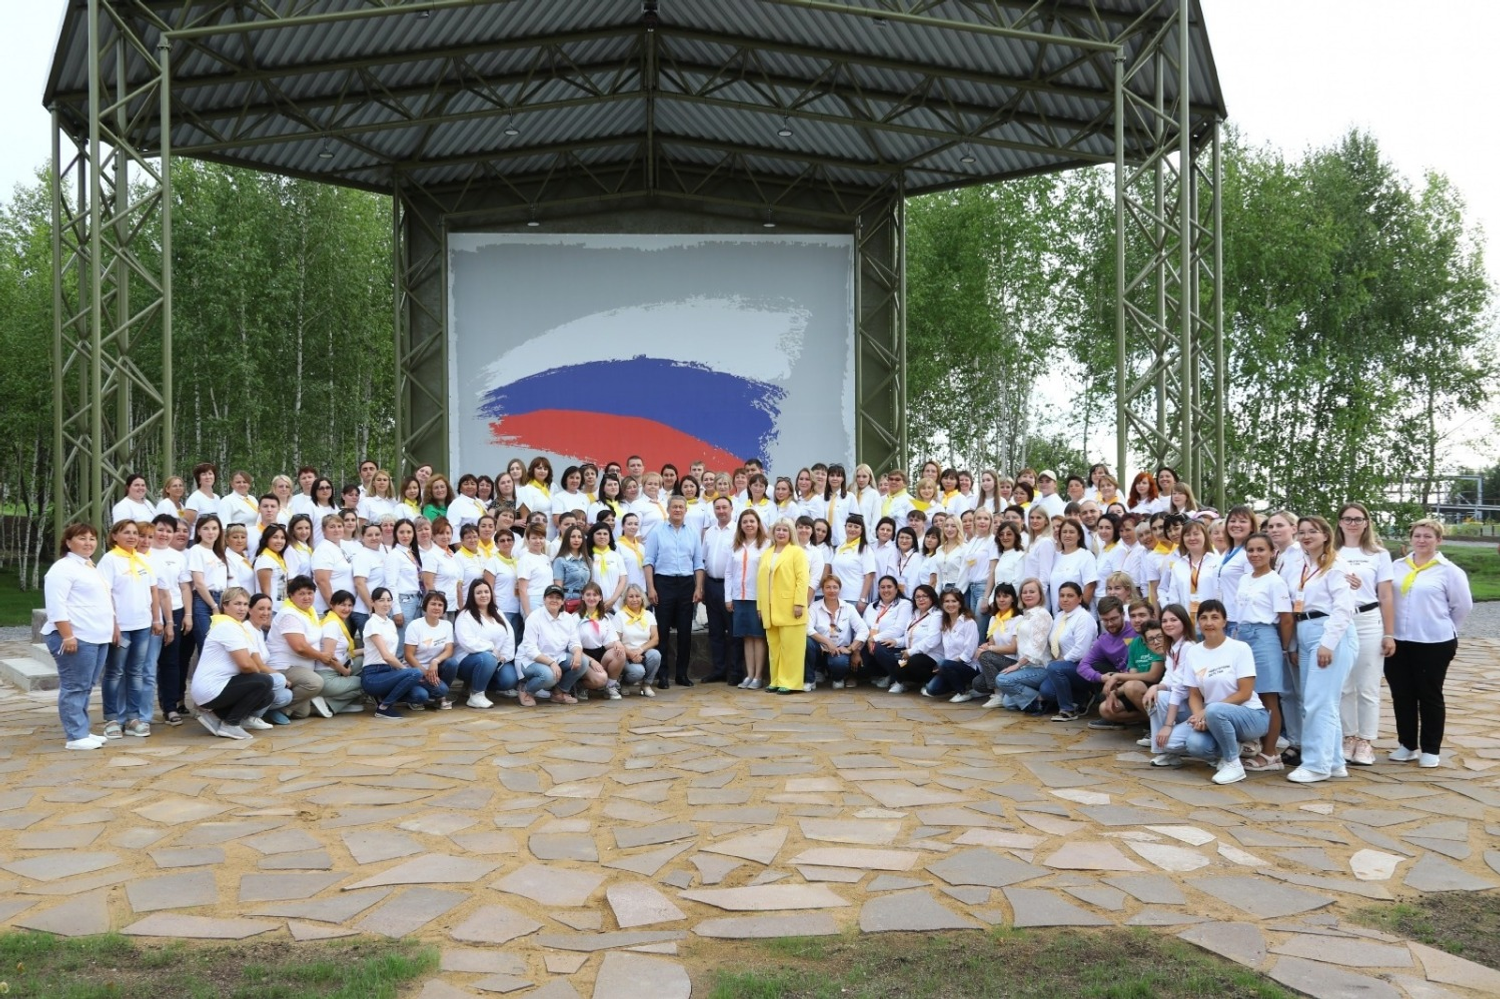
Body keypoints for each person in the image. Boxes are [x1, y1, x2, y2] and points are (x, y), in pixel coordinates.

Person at [1385, 519, 1473, 768]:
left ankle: (1431, 748)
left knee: (1429, 694)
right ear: (1411, 538)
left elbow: (1462, 606)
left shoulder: (1449, 571)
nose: (1422, 540)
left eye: (1428, 536)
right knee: (1402, 694)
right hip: (1398, 641)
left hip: (1434, 641)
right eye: (1417, 536)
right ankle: (1407, 745)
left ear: (1438, 540)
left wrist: (1444, 627)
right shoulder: (1397, 566)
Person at [1281, 514, 1358, 784]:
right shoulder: (1299, 564)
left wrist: (1328, 643)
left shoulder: (1337, 565)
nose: (1306, 536)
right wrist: (1293, 643)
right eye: (1302, 532)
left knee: (1318, 701)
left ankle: (1316, 764)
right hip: (1304, 631)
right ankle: (1334, 761)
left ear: (1326, 535)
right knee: (1316, 701)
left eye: (1312, 531)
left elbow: (1343, 608)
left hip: (1328, 632)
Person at [1174, 601, 1271, 785]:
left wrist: (1207, 712)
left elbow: (1245, 693)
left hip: (1251, 716)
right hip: (1213, 716)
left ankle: (1233, 764)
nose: (1209, 622)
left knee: (1214, 709)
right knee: (1194, 745)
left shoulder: (1240, 648)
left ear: (1225, 621)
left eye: (1215, 617)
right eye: (1204, 618)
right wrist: (1199, 717)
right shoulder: (1193, 652)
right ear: (1198, 622)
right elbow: (1194, 694)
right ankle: (1236, 748)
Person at [41, 523, 117, 750]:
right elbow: (56, 605)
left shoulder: (89, 566)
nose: (88, 543)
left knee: (86, 686)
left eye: (92, 538)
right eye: (82, 538)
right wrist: (67, 636)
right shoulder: (62, 568)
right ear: (68, 542)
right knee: (74, 686)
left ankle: (82, 729)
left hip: (96, 636)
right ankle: (75, 736)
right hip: (76, 636)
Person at [1332, 502, 1395, 768]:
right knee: (1344, 684)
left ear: (1366, 522)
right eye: (1347, 519)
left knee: (1367, 684)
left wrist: (1389, 633)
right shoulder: (1332, 552)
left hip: (1368, 618)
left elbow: (1386, 595)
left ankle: (1366, 740)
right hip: (1339, 619)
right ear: (1340, 522)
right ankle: (1349, 736)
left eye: (1358, 519)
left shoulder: (1378, 554)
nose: (1353, 523)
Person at [98, 520, 166, 739]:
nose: (132, 537)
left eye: (135, 533)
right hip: (122, 627)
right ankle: (112, 719)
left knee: (136, 672)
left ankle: (133, 718)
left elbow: (153, 592)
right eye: (126, 532)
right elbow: (105, 593)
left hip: (142, 625)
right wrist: (113, 624)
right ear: (114, 536)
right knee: (115, 672)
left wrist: (156, 619)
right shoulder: (110, 560)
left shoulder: (143, 559)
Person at [1235, 532, 1294, 772]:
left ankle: (1270, 753)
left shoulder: (1275, 581)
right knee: (1248, 693)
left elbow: (1286, 618)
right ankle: (1256, 743)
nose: (1255, 554)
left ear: (1272, 552)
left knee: (1268, 696)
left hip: (1264, 636)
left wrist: (1284, 647)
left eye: (1261, 549)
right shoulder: (1244, 579)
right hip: (1243, 636)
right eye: (1250, 550)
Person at [189, 587, 276, 740]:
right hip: (211, 689)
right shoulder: (227, 627)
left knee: (268, 694)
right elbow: (246, 665)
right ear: (225, 605)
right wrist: (259, 674)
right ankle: (231, 724)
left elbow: (251, 660)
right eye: (237, 604)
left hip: (220, 686)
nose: (242, 608)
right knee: (264, 681)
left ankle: (219, 716)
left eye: (245, 604)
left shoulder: (236, 626)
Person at [643, 495, 705, 688]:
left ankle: (682, 674)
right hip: (663, 583)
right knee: (662, 631)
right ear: (668, 509)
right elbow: (648, 561)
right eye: (674, 507)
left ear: (686, 510)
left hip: (686, 583)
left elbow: (698, 563)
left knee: (685, 631)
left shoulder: (693, 533)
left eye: (681, 507)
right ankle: (662, 675)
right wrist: (651, 587)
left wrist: (698, 587)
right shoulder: (657, 532)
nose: (678, 510)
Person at [1046, 594, 1131, 723]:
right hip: (1115, 677)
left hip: (1136, 676)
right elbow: (1083, 666)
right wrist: (1102, 677)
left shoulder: (1135, 631)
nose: (1110, 624)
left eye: (1114, 619)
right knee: (1048, 691)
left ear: (1123, 615)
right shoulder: (1103, 640)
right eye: (1105, 620)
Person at [265, 575, 331, 722]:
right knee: (315, 683)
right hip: (284, 667)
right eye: (301, 593)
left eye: (310, 593)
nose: (307, 597)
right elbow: (300, 647)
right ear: (291, 595)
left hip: (302, 668)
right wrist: (321, 656)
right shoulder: (289, 614)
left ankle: (284, 704)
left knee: (302, 714)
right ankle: (276, 709)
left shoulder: (310, 611)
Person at [758, 518, 811, 694]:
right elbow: (760, 582)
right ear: (773, 533)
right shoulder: (767, 553)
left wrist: (799, 603)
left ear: (791, 533)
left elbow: (803, 579)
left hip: (790, 607)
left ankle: (790, 682)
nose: (781, 533)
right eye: (778, 530)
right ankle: (776, 680)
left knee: (791, 648)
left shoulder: (797, 552)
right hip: (770, 608)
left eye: (785, 530)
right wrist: (760, 607)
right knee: (774, 648)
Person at [144, 514, 187, 726]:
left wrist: (187, 614)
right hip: (147, 613)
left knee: (171, 661)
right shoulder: (143, 553)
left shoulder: (178, 556)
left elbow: (184, 586)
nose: (164, 534)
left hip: (174, 611)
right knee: (145, 663)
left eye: (169, 531)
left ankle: (170, 706)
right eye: (160, 529)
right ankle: (138, 711)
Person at [361, 587, 427, 720]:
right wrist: (405, 670)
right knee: (415, 672)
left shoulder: (390, 623)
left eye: (389, 600)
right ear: (372, 602)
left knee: (421, 695)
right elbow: (386, 656)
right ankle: (384, 707)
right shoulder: (372, 623)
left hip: (389, 672)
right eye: (381, 600)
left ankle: (383, 697)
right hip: (373, 675)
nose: (386, 604)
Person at [1037, 581, 1099, 720]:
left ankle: (1068, 710)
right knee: (1047, 692)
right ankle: (1081, 697)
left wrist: (1060, 661)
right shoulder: (1060, 616)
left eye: (1070, 596)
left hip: (1083, 667)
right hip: (1063, 667)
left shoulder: (1084, 618)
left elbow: (1081, 651)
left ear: (1080, 598)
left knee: (1054, 668)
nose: (1065, 599)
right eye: (1062, 595)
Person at [449, 579, 514, 708]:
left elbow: (509, 635)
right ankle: (476, 695)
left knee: (509, 680)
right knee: (487, 658)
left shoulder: (497, 612)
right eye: (478, 593)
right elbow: (467, 642)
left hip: (496, 659)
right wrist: (491, 648)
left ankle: (475, 684)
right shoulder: (465, 615)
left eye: (486, 592)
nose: (483, 595)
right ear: (472, 596)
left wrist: (504, 656)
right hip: (468, 660)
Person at [516, 584, 583, 706]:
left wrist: (577, 653)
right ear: (544, 599)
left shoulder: (568, 618)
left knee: (582, 662)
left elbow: (574, 642)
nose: (554, 600)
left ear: (562, 601)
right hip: (530, 661)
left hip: (556, 658)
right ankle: (525, 689)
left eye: (558, 598)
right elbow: (530, 650)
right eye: (550, 597)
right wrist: (551, 663)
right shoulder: (534, 617)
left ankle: (558, 693)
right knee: (549, 676)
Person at [1148, 603, 1197, 767]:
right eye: (1164, 621)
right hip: (1182, 702)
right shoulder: (1172, 647)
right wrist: (1155, 687)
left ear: (1184, 622)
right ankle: (1163, 752)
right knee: (1157, 697)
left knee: (1161, 698)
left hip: (1194, 705)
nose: (1168, 624)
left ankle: (1167, 748)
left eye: (1173, 620)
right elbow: (1169, 678)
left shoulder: (1188, 647)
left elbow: (1180, 688)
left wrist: (1168, 725)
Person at [726, 509, 770, 689]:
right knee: (746, 637)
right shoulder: (735, 545)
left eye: (752, 521)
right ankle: (749, 674)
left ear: (758, 523)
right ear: (740, 525)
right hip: (739, 597)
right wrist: (728, 597)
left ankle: (758, 676)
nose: (749, 525)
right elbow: (729, 573)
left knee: (758, 637)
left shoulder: (766, 545)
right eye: (745, 522)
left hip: (757, 598)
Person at [804, 575, 869, 691]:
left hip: (839, 650)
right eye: (828, 587)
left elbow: (863, 630)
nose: (832, 590)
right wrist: (827, 642)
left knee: (840, 663)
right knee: (807, 642)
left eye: (835, 587)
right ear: (822, 589)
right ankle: (810, 680)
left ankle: (838, 678)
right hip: (820, 649)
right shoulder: (814, 607)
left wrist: (851, 648)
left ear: (840, 589)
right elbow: (807, 628)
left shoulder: (848, 608)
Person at [701, 497, 741, 683]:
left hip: (730, 586)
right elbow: (704, 560)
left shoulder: (738, 531)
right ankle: (719, 670)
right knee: (715, 631)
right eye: (718, 508)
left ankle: (735, 672)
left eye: (725, 507)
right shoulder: (709, 532)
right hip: (711, 585)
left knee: (733, 632)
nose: (721, 511)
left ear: (732, 509)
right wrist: (702, 586)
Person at [183, 514, 228, 663]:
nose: (211, 532)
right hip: (204, 601)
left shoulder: (218, 552)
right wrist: (214, 606)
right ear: (198, 531)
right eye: (206, 528)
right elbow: (199, 582)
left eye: (214, 528)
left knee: (220, 647)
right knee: (208, 647)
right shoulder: (196, 550)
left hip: (221, 599)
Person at [920, 589, 981, 698]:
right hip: (948, 667)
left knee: (944, 664)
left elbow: (969, 652)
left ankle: (962, 693)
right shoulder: (945, 623)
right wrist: (944, 666)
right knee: (931, 689)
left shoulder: (969, 622)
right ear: (942, 604)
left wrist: (946, 664)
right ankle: (960, 685)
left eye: (954, 601)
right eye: (947, 601)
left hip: (968, 667)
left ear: (960, 603)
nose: (950, 604)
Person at [967, 582, 1019, 703]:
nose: (1001, 599)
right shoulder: (994, 619)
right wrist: (985, 647)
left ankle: (998, 694)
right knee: (977, 683)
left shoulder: (1018, 619)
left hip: (1013, 662)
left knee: (985, 655)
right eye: (998, 596)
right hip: (996, 661)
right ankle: (1005, 690)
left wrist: (988, 649)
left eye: (1005, 596)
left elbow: (1013, 648)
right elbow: (992, 644)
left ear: (1013, 599)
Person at [316, 590, 367, 714]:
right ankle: (329, 704)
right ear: (332, 605)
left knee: (363, 661)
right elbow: (328, 657)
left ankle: (342, 703)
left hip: (334, 671)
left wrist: (368, 650)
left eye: (350, 605)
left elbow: (347, 653)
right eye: (342, 605)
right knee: (368, 683)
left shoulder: (337, 622)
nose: (347, 609)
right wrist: (344, 671)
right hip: (327, 677)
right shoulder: (332, 625)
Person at [403, 591, 457, 709]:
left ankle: (440, 696)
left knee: (452, 663)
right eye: (433, 604)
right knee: (421, 696)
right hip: (415, 670)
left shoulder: (447, 625)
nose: (436, 607)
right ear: (425, 606)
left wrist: (435, 661)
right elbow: (408, 655)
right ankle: (415, 695)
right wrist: (425, 673)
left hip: (435, 669)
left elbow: (449, 650)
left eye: (440, 605)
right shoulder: (415, 625)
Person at [861, 575, 911, 689]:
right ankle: (885, 675)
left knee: (880, 648)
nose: (886, 590)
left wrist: (873, 639)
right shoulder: (871, 606)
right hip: (871, 644)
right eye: (882, 587)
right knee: (859, 664)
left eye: (889, 587)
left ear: (896, 589)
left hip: (896, 645)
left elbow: (898, 629)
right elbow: (863, 628)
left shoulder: (904, 604)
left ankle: (898, 679)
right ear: (878, 589)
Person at [574, 581, 623, 699]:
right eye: (588, 594)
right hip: (582, 656)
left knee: (620, 651)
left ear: (600, 598)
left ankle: (610, 686)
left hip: (599, 653)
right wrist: (591, 661)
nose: (591, 598)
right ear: (582, 597)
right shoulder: (575, 618)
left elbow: (609, 643)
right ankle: (580, 685)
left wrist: (617, 642)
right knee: (601, 679)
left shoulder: (604, 618)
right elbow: (572, 647)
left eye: (595, 595)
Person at [614, 583, 662, 696]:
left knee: (656, 655)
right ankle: (625, 683)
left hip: (643, 652)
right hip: (625, 654)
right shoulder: (619, 615)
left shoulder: (648, 615)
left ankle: (646, 684)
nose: (634, 599)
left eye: (637, 596)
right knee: (638, 672)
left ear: (642, 598)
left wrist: (640, 650)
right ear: (625, 599)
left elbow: (655, 639)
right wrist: (631, 654)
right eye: (631, 596)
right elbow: (616, 640)